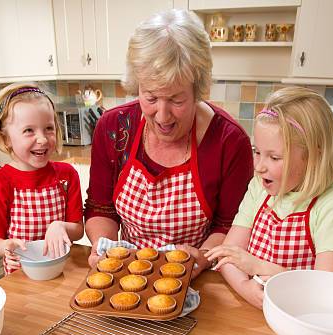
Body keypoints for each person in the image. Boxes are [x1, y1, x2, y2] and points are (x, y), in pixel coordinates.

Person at [85, 9, 253, 275]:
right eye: (150, 98)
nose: (162, 116)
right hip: (126, 271)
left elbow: (229, 226)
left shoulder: (229, 142)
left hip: (199, 278)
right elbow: (101, 208)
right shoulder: (114, 128)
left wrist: (201, 257)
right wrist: (101, 247)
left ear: (197, 89)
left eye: (176, 100)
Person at [205, 86, 333, 308]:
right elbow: (228, 256)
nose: (260, 167)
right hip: (252, 311)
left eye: (274, 157)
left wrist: (260, 267)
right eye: (257, 152)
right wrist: (245, 288)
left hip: (301, 318)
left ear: (314, 157)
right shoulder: (258, 188)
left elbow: (327, 294)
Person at [0, 83, 84, 274]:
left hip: (62, 269)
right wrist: (5, 246)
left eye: (48, 128)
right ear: (6, 138)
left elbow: (78, 229)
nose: (42, 139)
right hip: (20, 275)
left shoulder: (66, 175)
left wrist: (61, 226)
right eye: (29, 131)